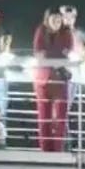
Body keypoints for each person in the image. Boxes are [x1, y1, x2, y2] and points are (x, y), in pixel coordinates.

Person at [32, 8, 74, 152]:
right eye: (53, 19)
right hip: (44, 79)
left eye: (59, 19)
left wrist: (51, 55)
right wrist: (57, 56)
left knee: (61, 118)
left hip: (60, 79)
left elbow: (68, 51)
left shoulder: (66, 32)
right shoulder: (41, 31)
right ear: (47, 19)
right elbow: (39, 53)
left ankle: (58, 150)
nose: (57, 22)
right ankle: (45, 150)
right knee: (44, 117)